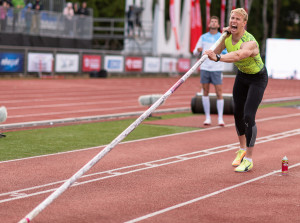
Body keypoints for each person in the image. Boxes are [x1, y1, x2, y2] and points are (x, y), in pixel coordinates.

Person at [204, 8, 268, 172]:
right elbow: (216, 52)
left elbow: (239, 55)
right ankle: (241, 149)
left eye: (238, 19)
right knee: (237, 113)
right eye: (232, 18)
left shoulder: (250, 42)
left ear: (244, 23)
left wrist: (218, 58)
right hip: (242, 77)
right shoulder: (227, 37)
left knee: (248, 115)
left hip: (257, 78)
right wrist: (219, 42)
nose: (234, 21)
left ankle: (249, 158)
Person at [193, 16, 227, 126]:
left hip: (217, 68)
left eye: (215, 22)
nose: (213, 23)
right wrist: (197, 51)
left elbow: (226, 52)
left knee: (219, 92)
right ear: (209, 24)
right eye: (211, 21)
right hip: (205, 68)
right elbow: (195, 52)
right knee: (205, 92)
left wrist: (217, 56)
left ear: (218, 25)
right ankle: (207, 117)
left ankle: (220, 118)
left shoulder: (221, 38)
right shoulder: (203, 37)